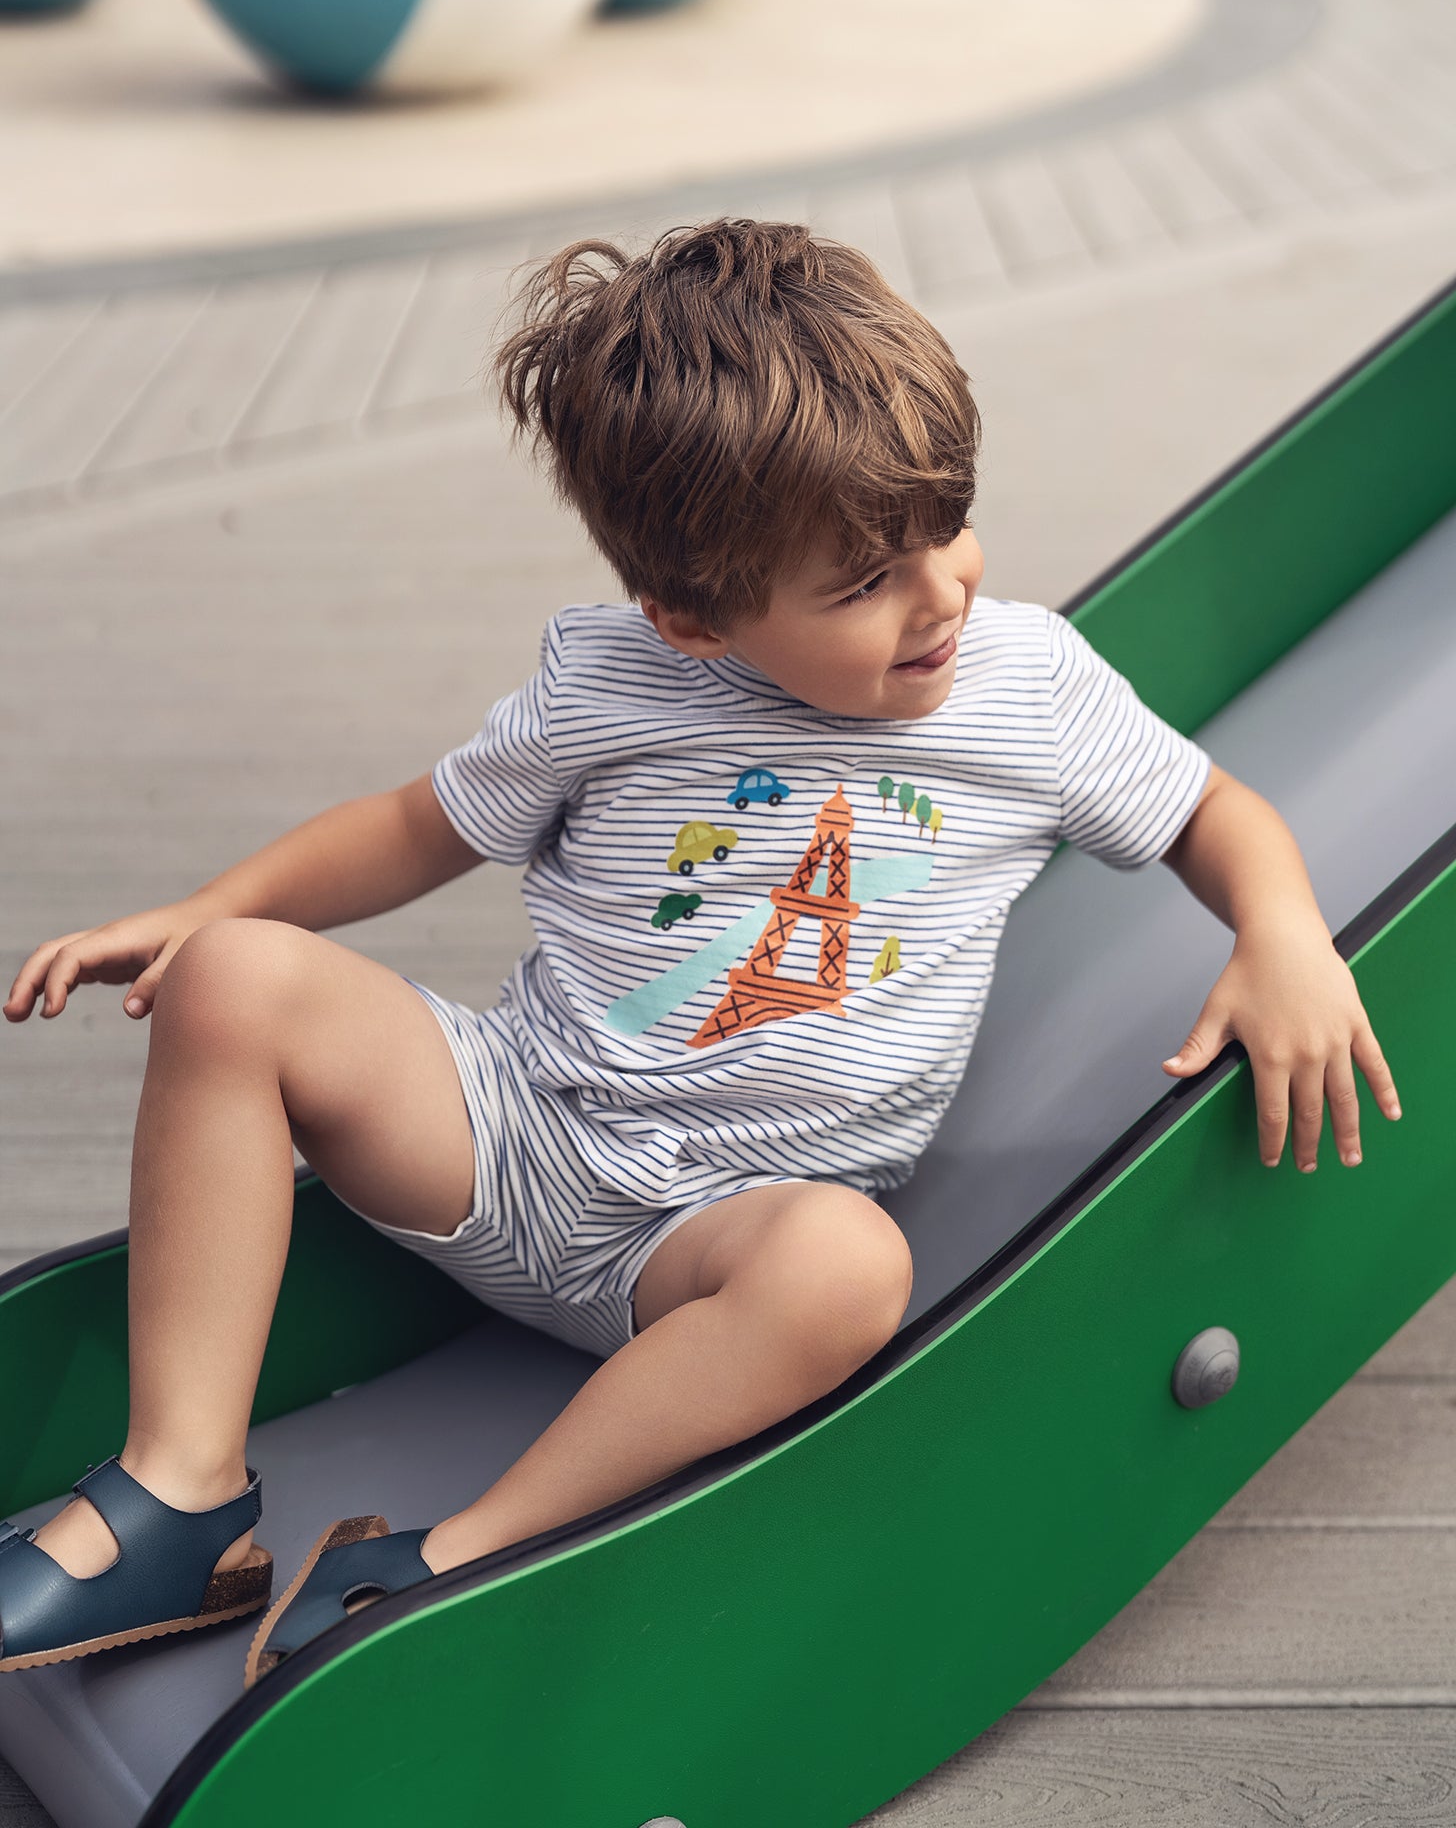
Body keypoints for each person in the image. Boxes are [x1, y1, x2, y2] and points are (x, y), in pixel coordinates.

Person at [0, 219, 1401, 1680]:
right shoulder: (612, 682)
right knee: (236, 975)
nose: (943, 593)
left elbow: (1211, 809)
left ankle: (453, 1563)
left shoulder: (1024, 691)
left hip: (712, 1243)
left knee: (850, 1269)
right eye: (864, 580)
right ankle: (182, 1495)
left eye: (948, 524)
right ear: (689, 619)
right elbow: (421, 825)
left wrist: (1283, 932)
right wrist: (205, 909)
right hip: (509, 1135)